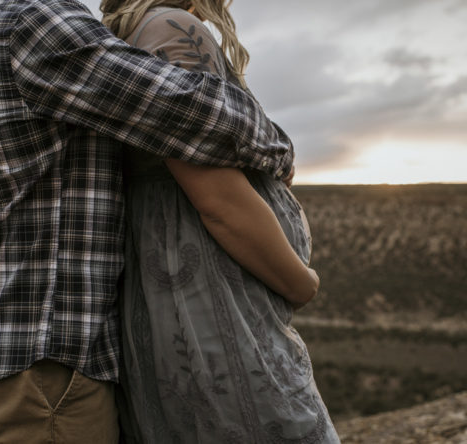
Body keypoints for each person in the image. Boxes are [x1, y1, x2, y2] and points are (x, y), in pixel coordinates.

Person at [0, 0, 296, 442]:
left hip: (47, 352)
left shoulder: (18, 18)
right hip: (44, 355)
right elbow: (182, 107)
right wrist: (277, 147)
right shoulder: (33, 19)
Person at [100, 0, 341, 442]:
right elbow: (218, 199)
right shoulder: (173, 27)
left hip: (174, 294)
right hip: (206, 302)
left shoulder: (126, 35)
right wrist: (300, 282)